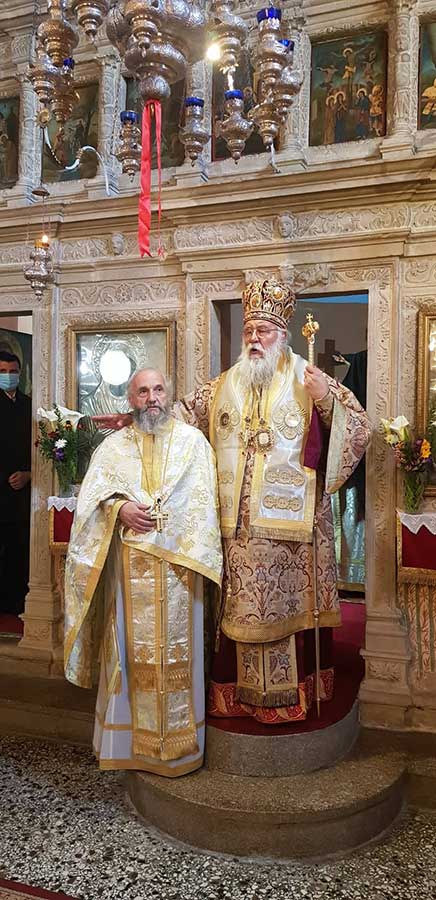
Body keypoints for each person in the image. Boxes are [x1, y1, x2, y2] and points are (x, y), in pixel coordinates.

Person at [94, 279, 371, 726]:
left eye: (264, 331)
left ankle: (291, 695)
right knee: (239, 612)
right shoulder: (223, 386)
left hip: (292, 534)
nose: (255, 338)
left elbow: (359, 431)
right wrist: (136, 417)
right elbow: (178, 417)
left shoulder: (309, 378)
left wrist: (325, 400)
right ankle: (236, 697)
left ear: (282, 334)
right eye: (249, 331)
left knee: (286, 612)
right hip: (235, 530)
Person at [64, 368, 222, 776]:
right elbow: (92, 502)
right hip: (129, 571)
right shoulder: (113, 447)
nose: (152, 398)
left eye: (158, 390)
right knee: (129, 652)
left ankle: (183, 749)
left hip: (180, 571)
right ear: (131, 399)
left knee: (181, 654)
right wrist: (120, 509)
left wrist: (175, 534)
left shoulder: (193, 443)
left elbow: (205, 506)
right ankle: (127, 747)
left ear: (168, 394)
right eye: (142, 391)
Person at [0, 351, 32, 616]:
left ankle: (15, 605)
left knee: (19, 550)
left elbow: (37, 449)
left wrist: (29, 474)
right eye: (3, 372)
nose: (8, 376)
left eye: (12, 372)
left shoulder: (29, 405)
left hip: (22, 493)